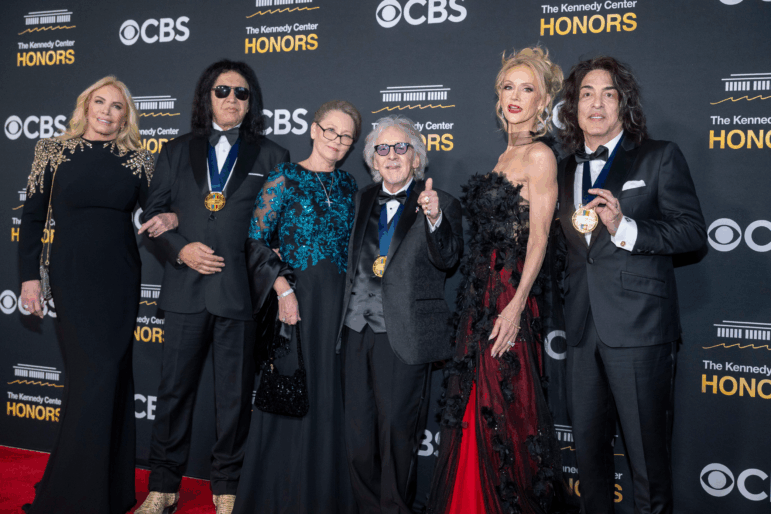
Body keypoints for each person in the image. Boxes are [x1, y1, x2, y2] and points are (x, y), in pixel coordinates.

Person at [135, 60, 290, 514]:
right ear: (208, 96)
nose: (231, 100)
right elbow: (153, 216)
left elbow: (274, 230)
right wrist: (180, 249)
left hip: (239, 295)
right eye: (222, 91)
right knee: (173, 394)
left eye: (241, 93)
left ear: (251, 101)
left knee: (235, 398)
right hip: (184, 289)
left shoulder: (272, 156)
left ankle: (227, 489)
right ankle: (163, 486)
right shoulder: (175, 149)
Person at [555, 56, 706, 514]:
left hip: (641, 332)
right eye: (585, 94)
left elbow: (692, 233)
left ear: (624, 104)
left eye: (608, 94)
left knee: (647, 462)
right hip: (581, 333)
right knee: (588, 462)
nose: (595, 103)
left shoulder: (659, 156)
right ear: (572, 106)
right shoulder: (563, 170)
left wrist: (626, 226)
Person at [427, 47, 565, 514]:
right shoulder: (506, 153)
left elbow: (540, 239)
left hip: (508, 297)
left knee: (504, 408)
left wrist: (516, 305)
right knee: (474, 409)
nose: (515, 96)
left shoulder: (540, 155)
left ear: (544, 101)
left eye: (527, 89)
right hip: (478, 298)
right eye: (508, 86)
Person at [17, 76, 154, 513]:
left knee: (111, 380)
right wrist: (29, 279)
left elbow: (159, 215)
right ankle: (75, 493)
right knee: (89, 381)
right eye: (100, 102)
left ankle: (106, 492)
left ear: (126, 116)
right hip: (71, 278)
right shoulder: (52, 151)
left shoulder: (139, 161)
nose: (107, 112)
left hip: (119, 280)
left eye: (117, 106)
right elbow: (33, 220)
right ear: (85, 106)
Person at [232, 100, 362, 514]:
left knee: (328, 395)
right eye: (330, 131)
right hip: (295, 307)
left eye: (346, 137)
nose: (336, 142)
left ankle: (321, 497)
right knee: (288, 395)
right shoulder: (283, 177)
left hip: (338, 309)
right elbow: (255, 241)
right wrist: (283, 291)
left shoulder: (348, 186)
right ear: (313, 128)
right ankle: (275, 499)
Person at [339, 115, 463, 514]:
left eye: (400, 148)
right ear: (372, 160)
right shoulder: (358, 200)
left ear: (416, 157)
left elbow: (448, 259)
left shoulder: (441, 202)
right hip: (355, 330)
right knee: (358, 439)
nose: (391, 156)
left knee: (397, 435)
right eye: (382, 149)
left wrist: (433, 218)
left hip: (404, 334)